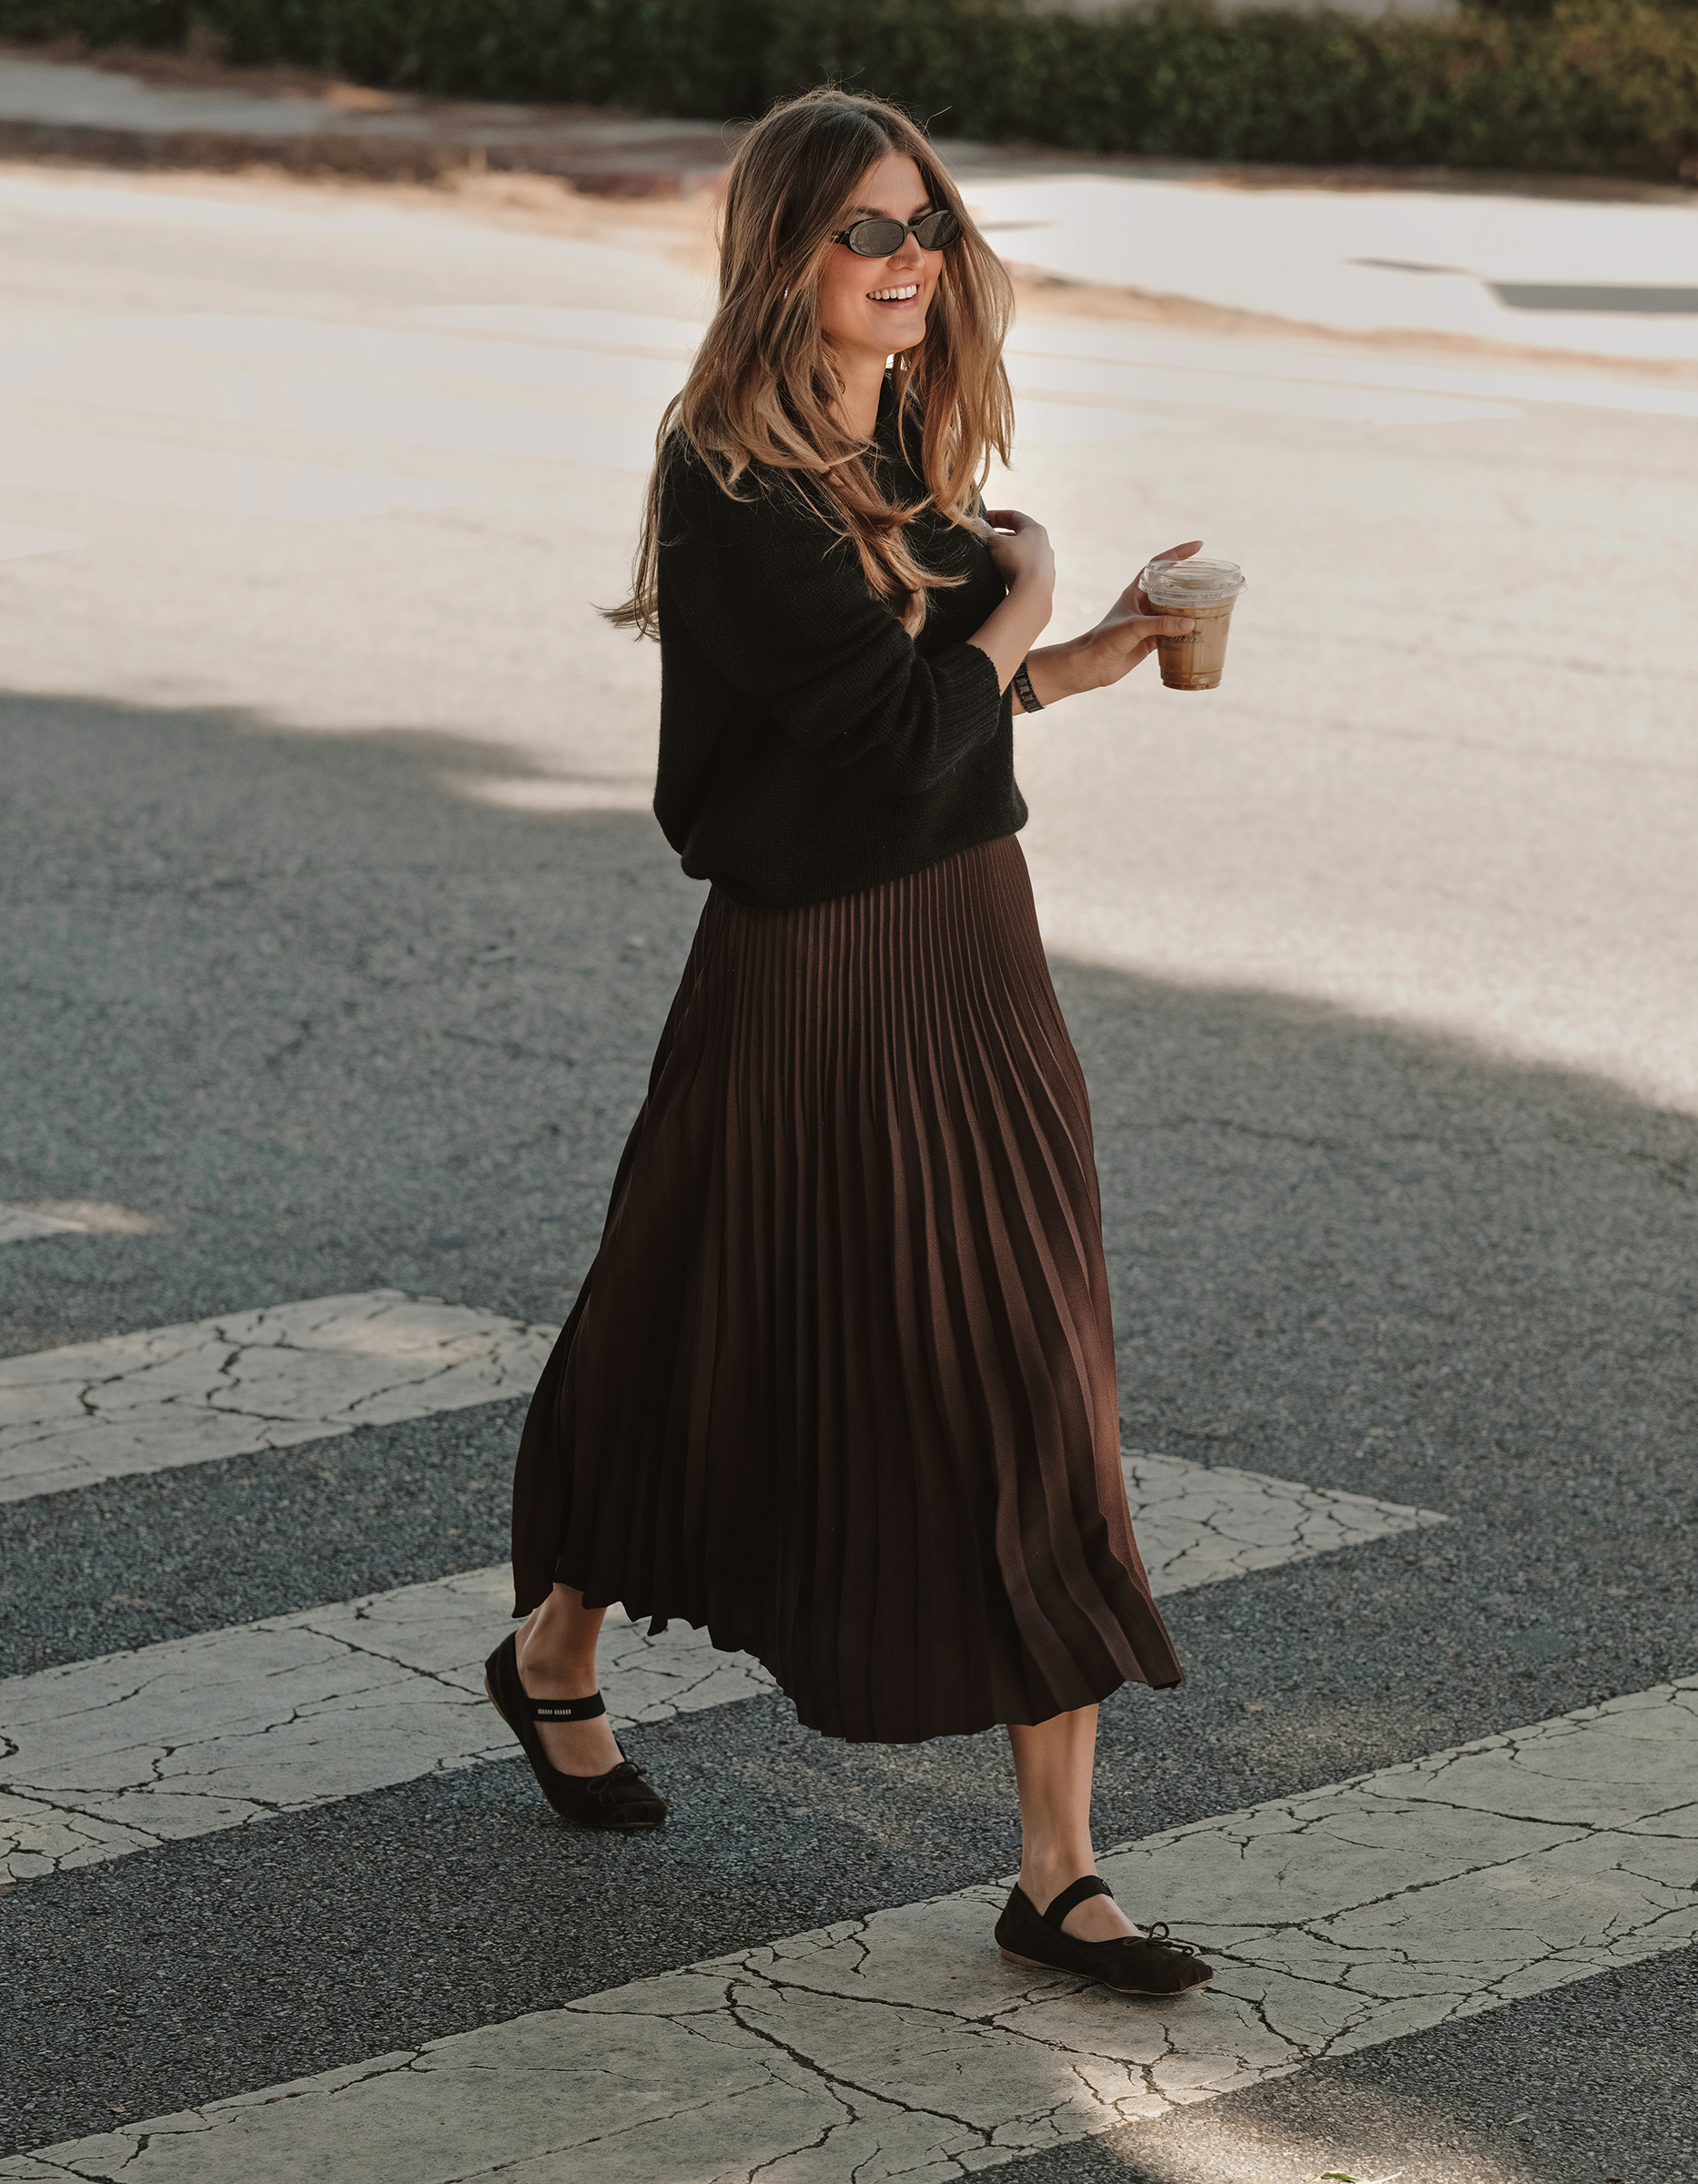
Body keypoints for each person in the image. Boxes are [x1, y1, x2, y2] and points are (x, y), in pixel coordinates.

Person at [486, 86, 1213, 1998]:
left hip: (967, 943)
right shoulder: (726, 476)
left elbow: (935, 726)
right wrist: (1021, 593)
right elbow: (890, 737)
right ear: (784, 253)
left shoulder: (890, 429)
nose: (911, 261)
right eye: (868, 230)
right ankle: (554, 1651)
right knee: (702, 1334)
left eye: (928, 225)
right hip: (804, 966)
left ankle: (1056, 1869)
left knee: (1029, 1360)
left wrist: (1090, 643)